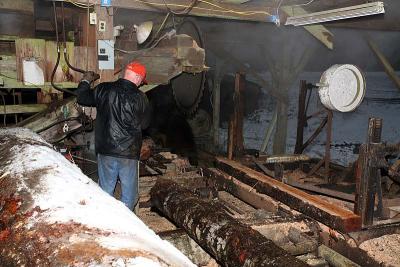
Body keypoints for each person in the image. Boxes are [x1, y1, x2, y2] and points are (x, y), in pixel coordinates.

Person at [76, 61, 150, 211]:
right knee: (128, 196)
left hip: (106, 150)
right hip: (128, 153)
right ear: (137, 78)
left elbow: (82, 98)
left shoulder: (103, 89)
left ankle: (106, 222)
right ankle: (127, 225)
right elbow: (145, 125)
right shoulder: (141, 98)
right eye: (141, 81)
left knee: (105, 192)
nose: (141, 84)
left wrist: (85, 81)